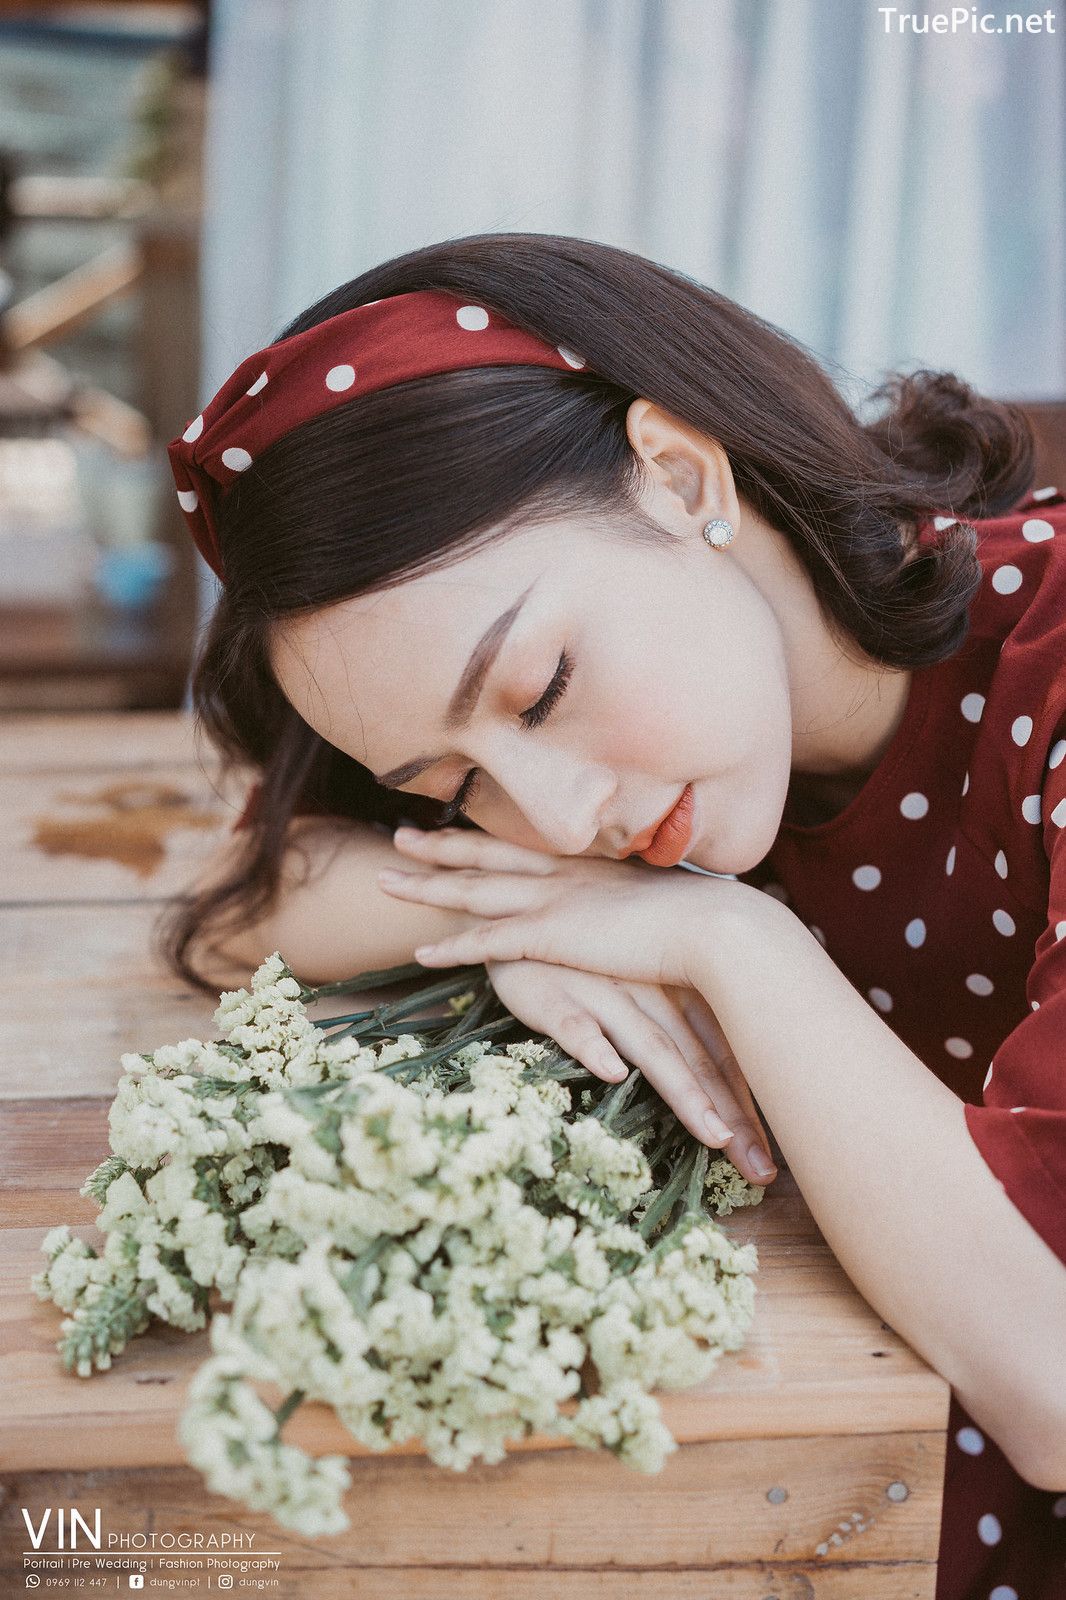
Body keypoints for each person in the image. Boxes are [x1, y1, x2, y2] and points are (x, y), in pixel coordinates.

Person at [164, 232, 1066, 1597]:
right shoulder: (652, 778)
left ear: (680, 478)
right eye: (454, 781)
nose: (556, 814)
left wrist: (724, 939)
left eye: (536, 690)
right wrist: (535, 919)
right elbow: (243, 904)